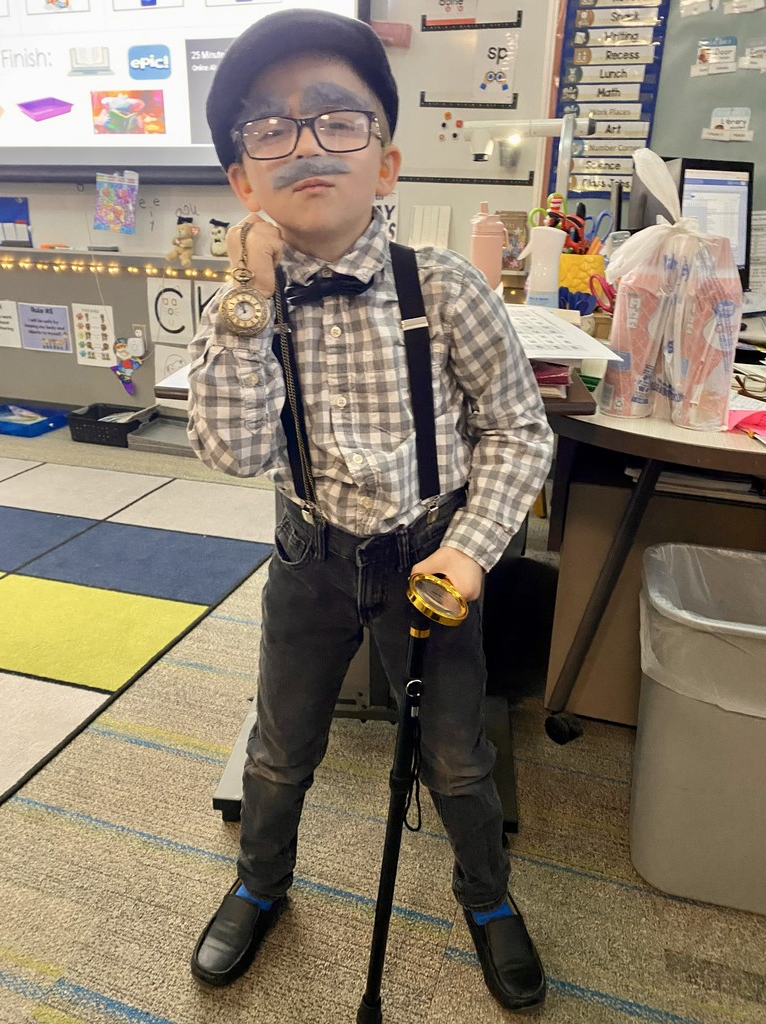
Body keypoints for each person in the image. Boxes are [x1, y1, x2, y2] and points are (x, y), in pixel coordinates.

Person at [187, 8, 554, 1013]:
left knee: (456, 755)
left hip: (427, 559)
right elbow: (231, 451)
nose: (306, 143)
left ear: (385, 163)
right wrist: (246, 296)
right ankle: (260, 883)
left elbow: (518, 429)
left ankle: (487, 897)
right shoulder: (248, 305)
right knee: (279, 746)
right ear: (243, 182)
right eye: (271, 127)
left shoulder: (446, 289)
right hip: (308, 559)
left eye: (336, 119)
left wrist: (472, 549)